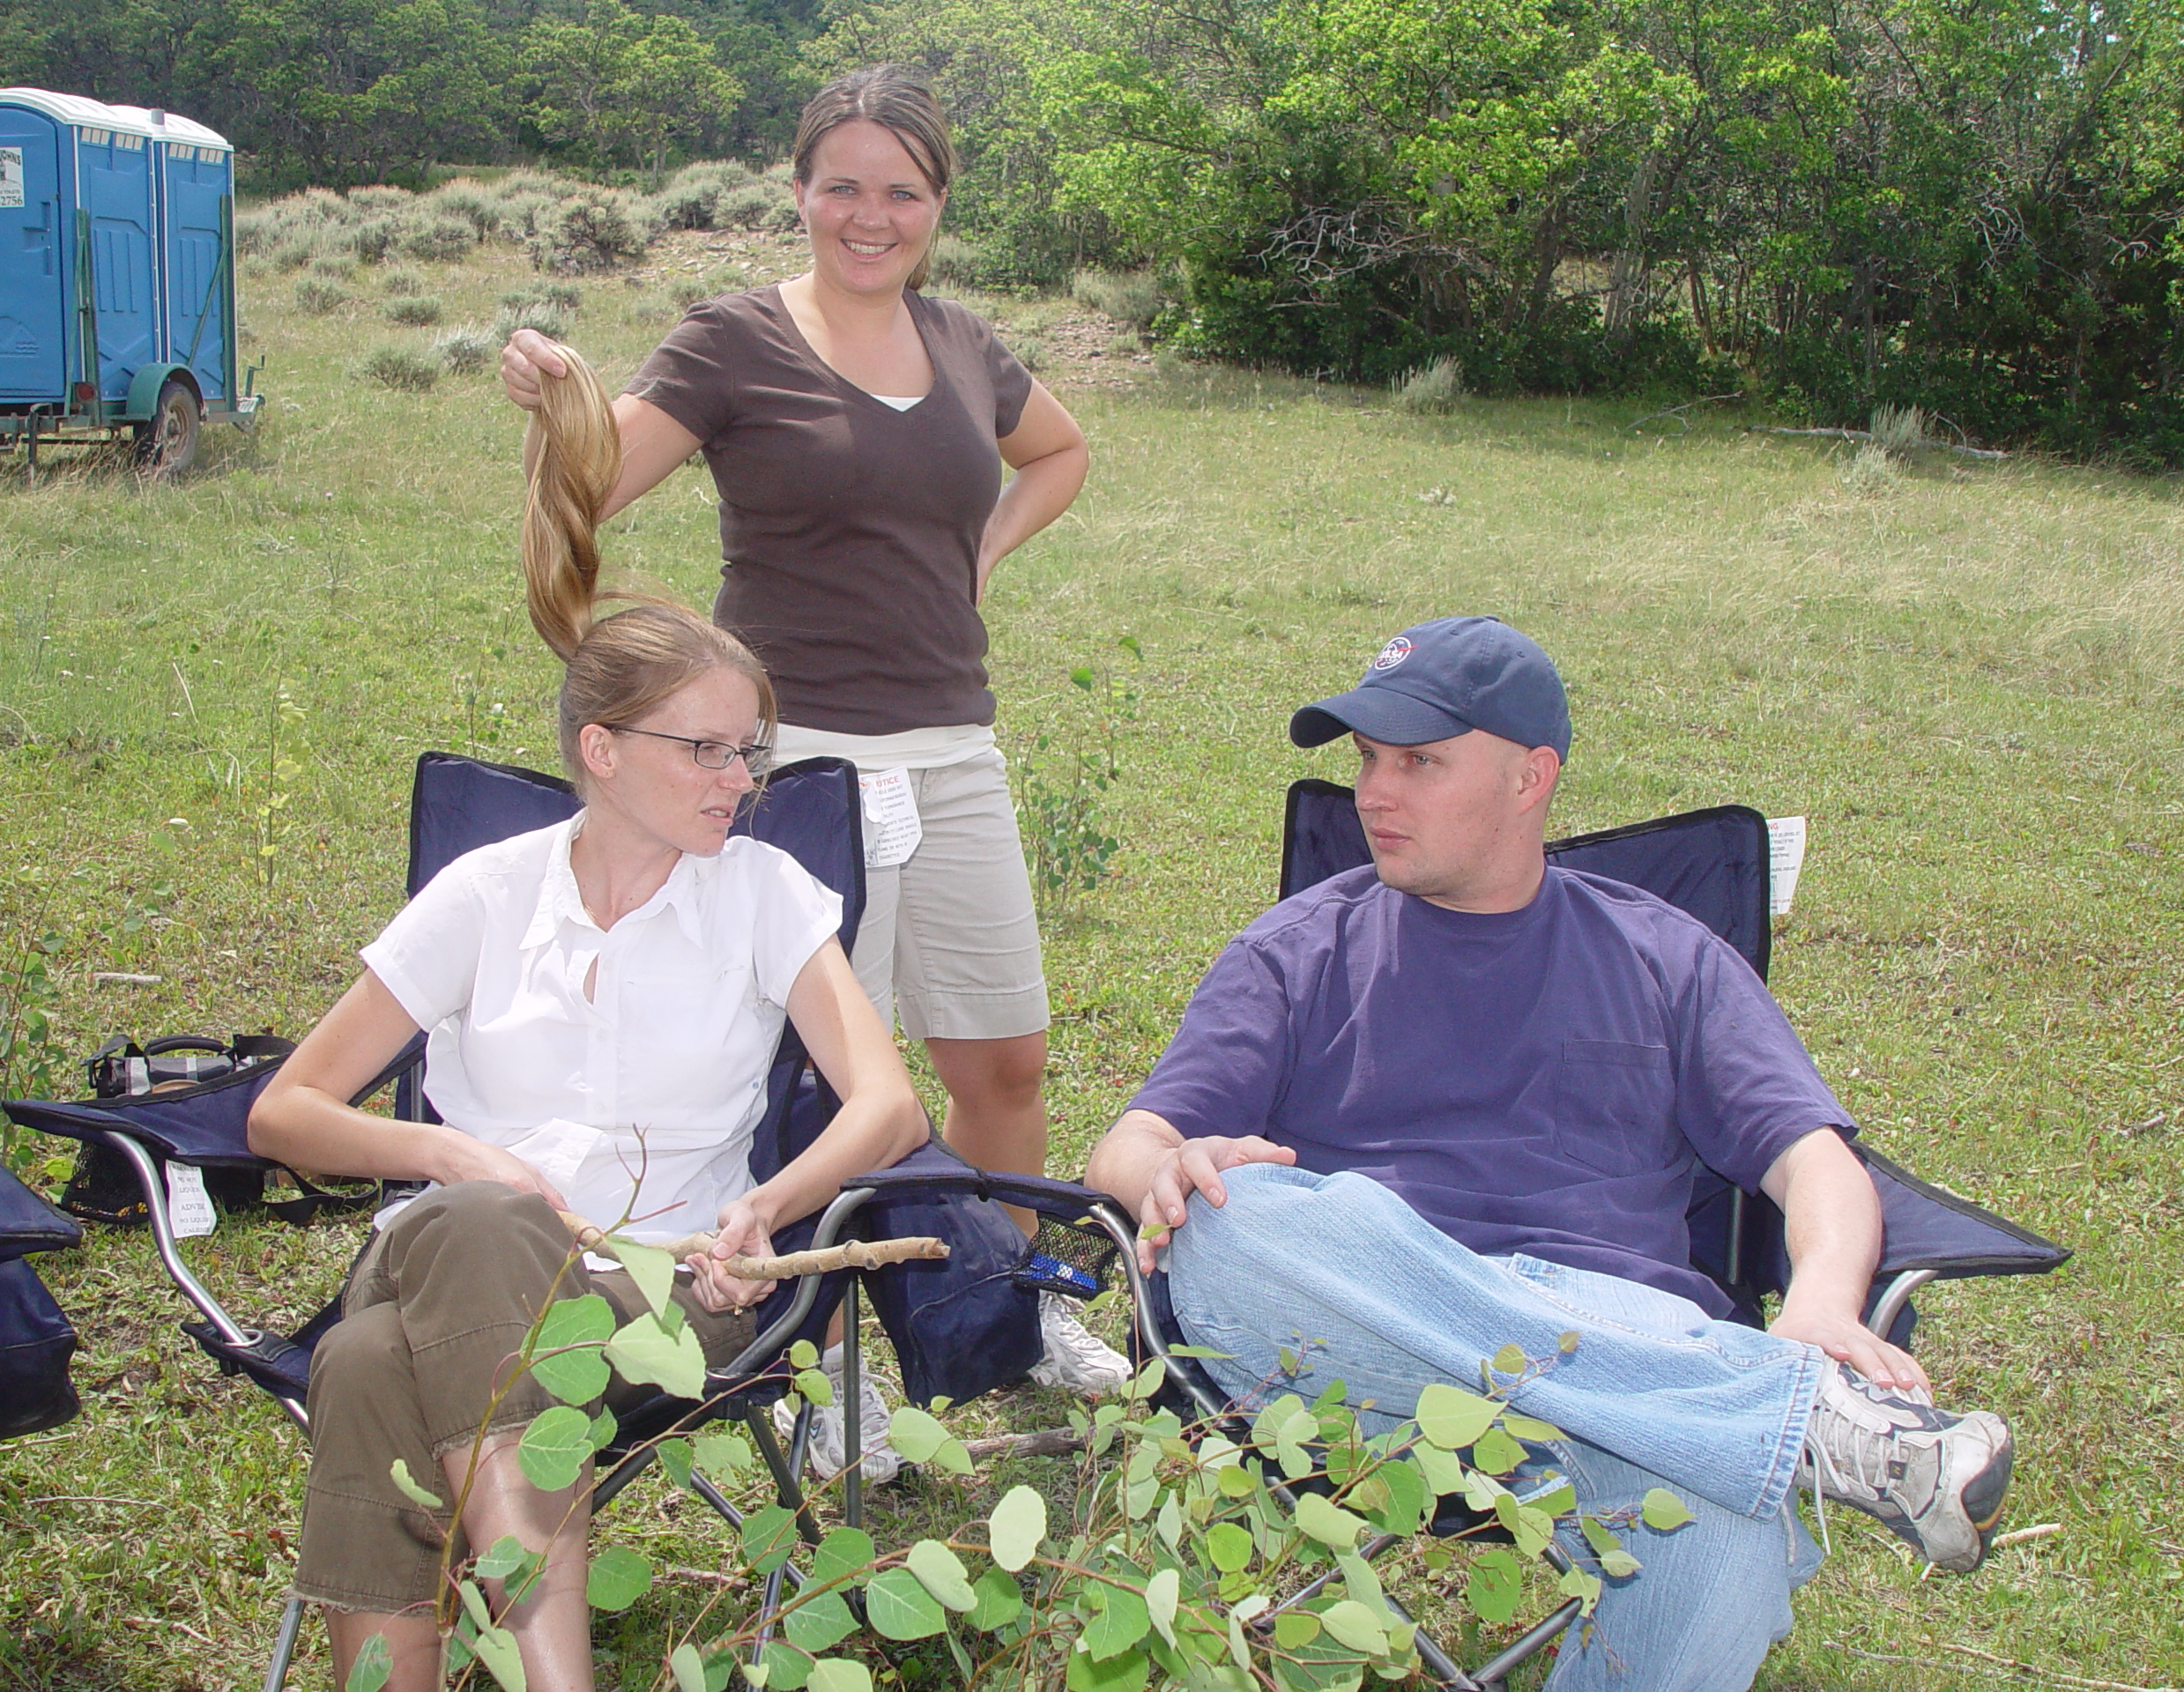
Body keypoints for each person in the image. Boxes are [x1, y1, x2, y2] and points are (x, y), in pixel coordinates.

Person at [1084, 616, 2016, 1689]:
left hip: (1624, 1399)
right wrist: (1161, 1170)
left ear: (1532, 778)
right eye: (1367, 761)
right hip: (1363, 1370)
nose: (1374, 795)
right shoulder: (1297, 952)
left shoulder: (1666, 958)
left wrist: (1818, 1303)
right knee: (1234, 1217)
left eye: (1419, 763)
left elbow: (1814, 1163)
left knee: (1725, 1528)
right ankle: (1786, 1416)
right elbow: (1130, 1145)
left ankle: (1754, 1415)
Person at [249, 347, 928, 1692]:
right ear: (601, 750)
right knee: (490, 1229)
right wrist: (459, 1158)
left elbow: (890, 1103)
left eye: (753, 749)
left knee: (371, 1371)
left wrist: (764, 1211)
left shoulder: (763, 892)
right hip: (456, 1247)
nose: (741, 778)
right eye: (708, 749)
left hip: (672, 1291)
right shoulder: (486, 895)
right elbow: (285, 1113)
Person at [500, 63, 1128, 1417]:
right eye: (841, 183)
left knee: (1001, 1061)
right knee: (824, 1084)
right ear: (798, 191)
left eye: (901, 190)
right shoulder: (736, 340)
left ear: (937, 204)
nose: (869, 213)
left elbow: (1061, 453)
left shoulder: (963, 343)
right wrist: (553, 393)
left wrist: (981, 554)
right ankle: (818, 1359)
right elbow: (595, 474)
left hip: (955, 748)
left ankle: (998, 1316)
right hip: (791, 760)